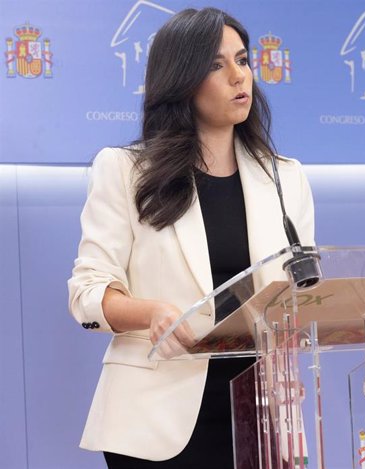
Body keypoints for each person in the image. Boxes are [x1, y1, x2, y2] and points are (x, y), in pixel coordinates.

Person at [67, 7, 315, 468]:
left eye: (242, 60)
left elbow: (296, 295)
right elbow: (88, 293)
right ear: (182, 80)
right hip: (154, 418)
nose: (239, 76)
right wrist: (151, 312)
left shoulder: (286, 178)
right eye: (216, 65)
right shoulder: (125, 171)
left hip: (260, 413)